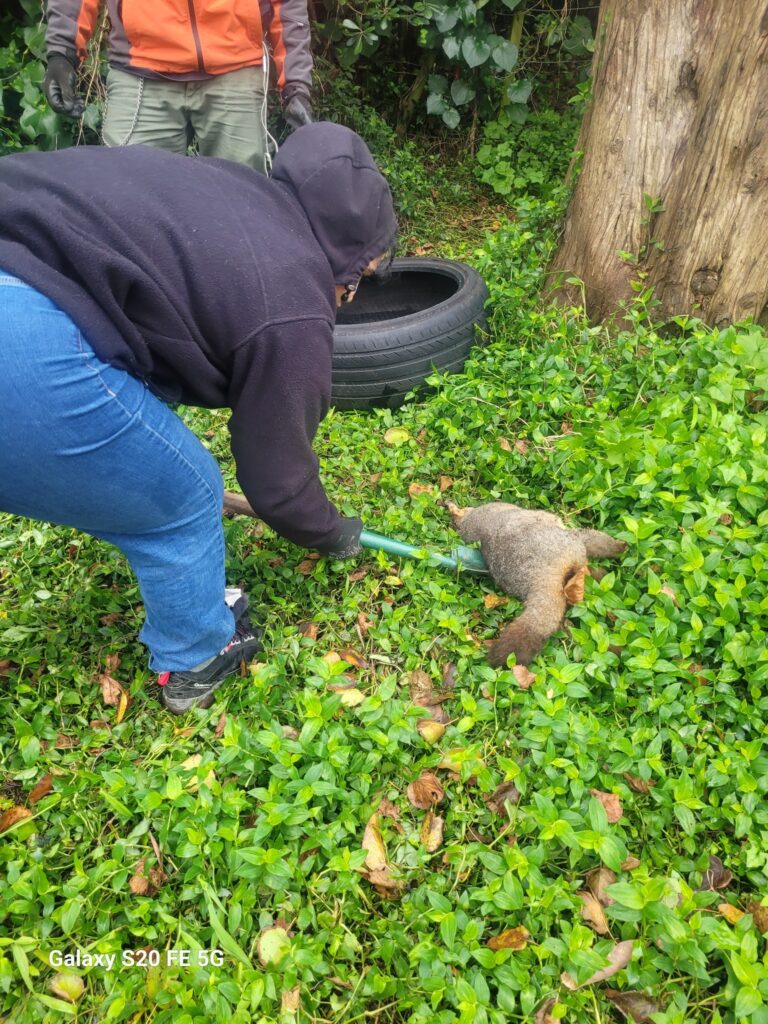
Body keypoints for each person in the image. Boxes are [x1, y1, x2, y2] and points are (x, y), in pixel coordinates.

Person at [0, 122, 397, 714]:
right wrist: (333, 532)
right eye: (366, 276)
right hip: (19, 336)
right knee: (184, 493)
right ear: (353, 261)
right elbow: (277, 484)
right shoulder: (292, 299)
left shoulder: (230, 189)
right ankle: (194, 658)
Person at [43, 0, 315, 172]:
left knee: (242, 207)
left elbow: (288, 4)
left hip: (236, 65)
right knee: (129, 206)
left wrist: (295, 82)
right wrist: (62, 52)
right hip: (140, 66)